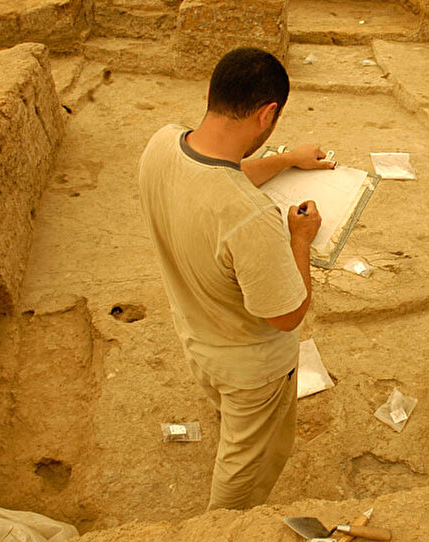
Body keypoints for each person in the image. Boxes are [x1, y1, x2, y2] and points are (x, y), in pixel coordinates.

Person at [137, 47, 334, 510]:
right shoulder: (249, 217)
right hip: (251, 369)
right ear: (269, 114)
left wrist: (285, 160)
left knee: (231, 424)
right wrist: (300, 239)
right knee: (242, 473)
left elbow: (224, 170)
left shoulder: (162, 143)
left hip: (198, 336)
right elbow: (286, 315)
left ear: (211, 93)